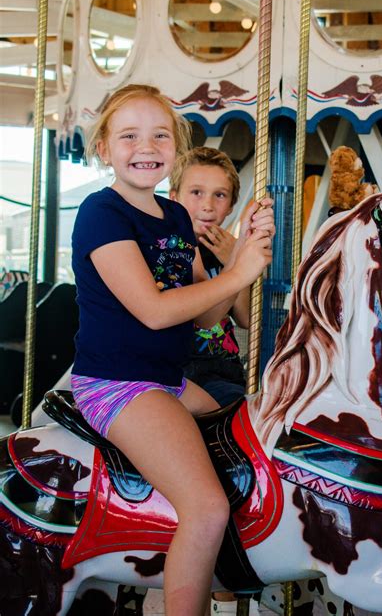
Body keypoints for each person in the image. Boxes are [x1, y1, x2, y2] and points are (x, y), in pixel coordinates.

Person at [70, 84, 274, 616]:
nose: (146, 145)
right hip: (117, 383)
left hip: (168, 380)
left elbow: (203, 315)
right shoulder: (101, 213)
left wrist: (243, 259)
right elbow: (154, 310)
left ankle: (221, 569)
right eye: (129, 135)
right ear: (104, 148)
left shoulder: (177, 218)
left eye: (160, 134)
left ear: (175, 147)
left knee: (252, 448)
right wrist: (240, 270)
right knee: (207, 507)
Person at [169, 147, 248, 408]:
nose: (208, 205)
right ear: (174, 197)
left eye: (220, 195)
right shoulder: (171, 250)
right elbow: (203, 319)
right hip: (187, 371)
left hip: (227, 367)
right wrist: (236, 265)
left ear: (231, 206)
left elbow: (247, 317)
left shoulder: (226, 249)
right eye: (196, 193)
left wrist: (234, 257)